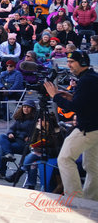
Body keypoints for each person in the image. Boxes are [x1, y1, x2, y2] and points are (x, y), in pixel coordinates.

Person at [44, 50, 98, 200]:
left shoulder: (87, 80)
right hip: (94, 128)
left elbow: (76, 107)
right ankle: (92, 200)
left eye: (72, 62)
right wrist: (73, 96)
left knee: (65, 159)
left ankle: (75, 199)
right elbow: (88, 102)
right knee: (92, 166)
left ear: (83, 63)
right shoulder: (91, 78)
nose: (69, 65)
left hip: (88, 128)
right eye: (68, 62)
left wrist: (55, 96)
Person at [0, 100, 37, 179]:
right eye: (24, 107)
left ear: (32, 109)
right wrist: (10, 133)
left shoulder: (34, 120)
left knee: (3, 149)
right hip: (14, 139)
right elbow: (11, 129)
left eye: (28, 107)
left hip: (23, 144)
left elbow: (34, 133)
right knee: (2, 137)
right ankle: (9, 154)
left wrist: (24, 137)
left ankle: (1, 171)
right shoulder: (19, 118)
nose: (26, 109)